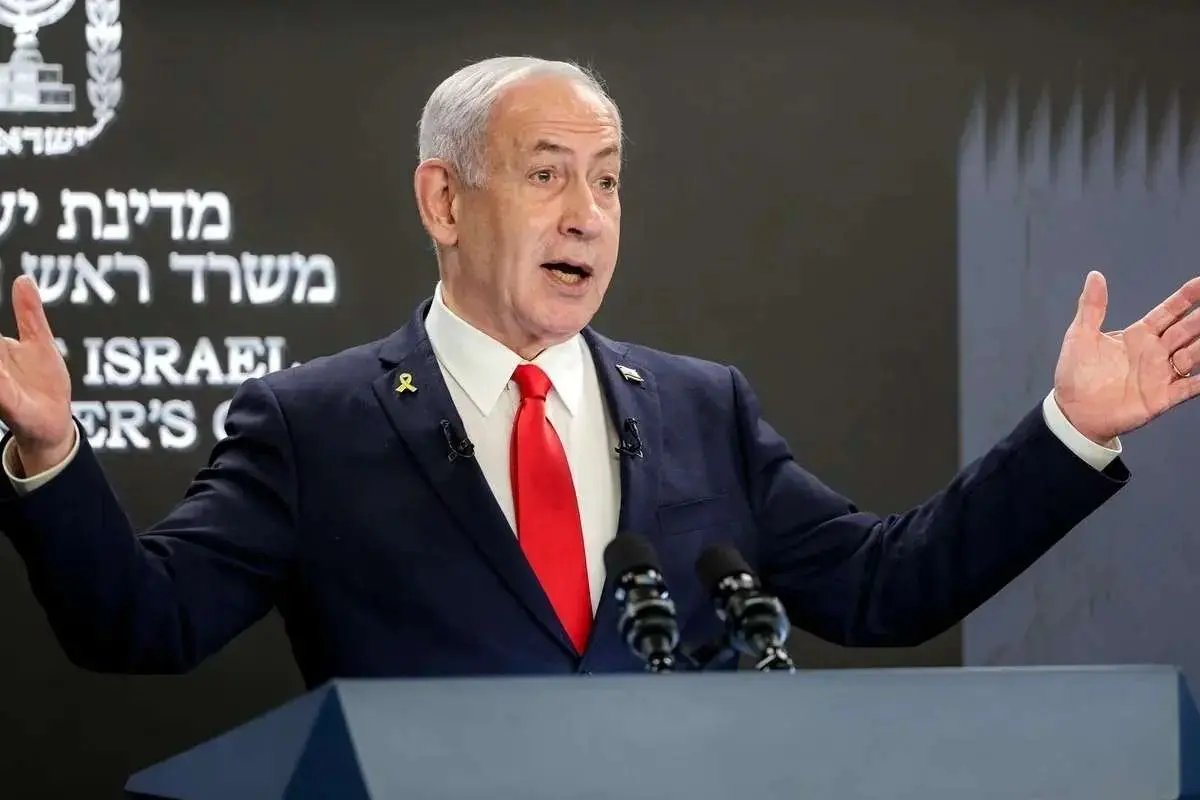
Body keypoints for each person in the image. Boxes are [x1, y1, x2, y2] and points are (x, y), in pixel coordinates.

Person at [1, 57, 1198, 689]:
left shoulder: (702, 409)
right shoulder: (313, 423)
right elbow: (142, 622)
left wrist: (1068, 430)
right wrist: (51, 455)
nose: (589, 212)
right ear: (443, 200)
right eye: (547, 174)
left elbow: (889, 587)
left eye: (610, 179)